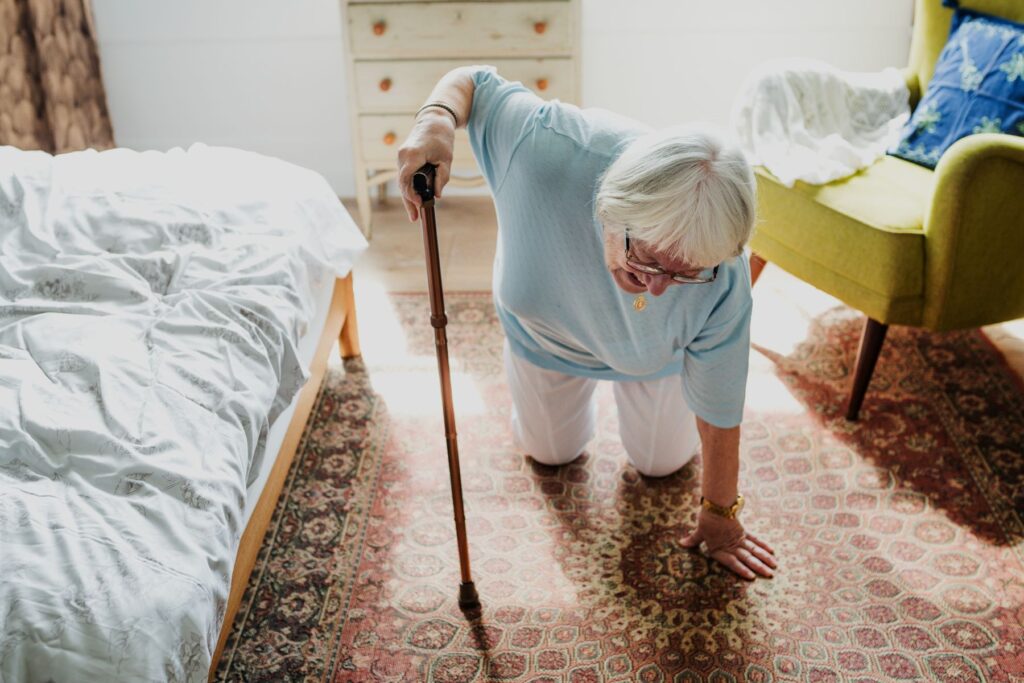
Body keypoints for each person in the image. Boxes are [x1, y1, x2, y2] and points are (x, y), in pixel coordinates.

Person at [397, 66, 776, 581]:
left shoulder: (721, 271)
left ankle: (641, 389)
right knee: (550, 453)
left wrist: (720, 516)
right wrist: (435, 120)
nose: (660, 289)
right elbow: (474, 82)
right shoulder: (541, 146)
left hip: (653, 357)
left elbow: (720, 405)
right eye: (647, 262)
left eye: (685, 274)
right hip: (544, 335)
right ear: (611, 209)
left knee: (662, 465)